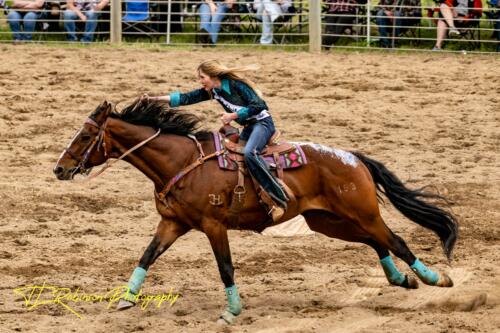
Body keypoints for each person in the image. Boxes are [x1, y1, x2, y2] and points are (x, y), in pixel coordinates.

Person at [143, 60, 288, 222]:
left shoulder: (236, 85)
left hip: (263, 124)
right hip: (249, 127)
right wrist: (154, 99)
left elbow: (260, 105)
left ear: (213, 76)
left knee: (249, 153)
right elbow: (186, 98)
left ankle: (278, 197)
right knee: (233, 158)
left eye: (202, 77)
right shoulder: (214, 91)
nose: (200, 81)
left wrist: (233, 116)